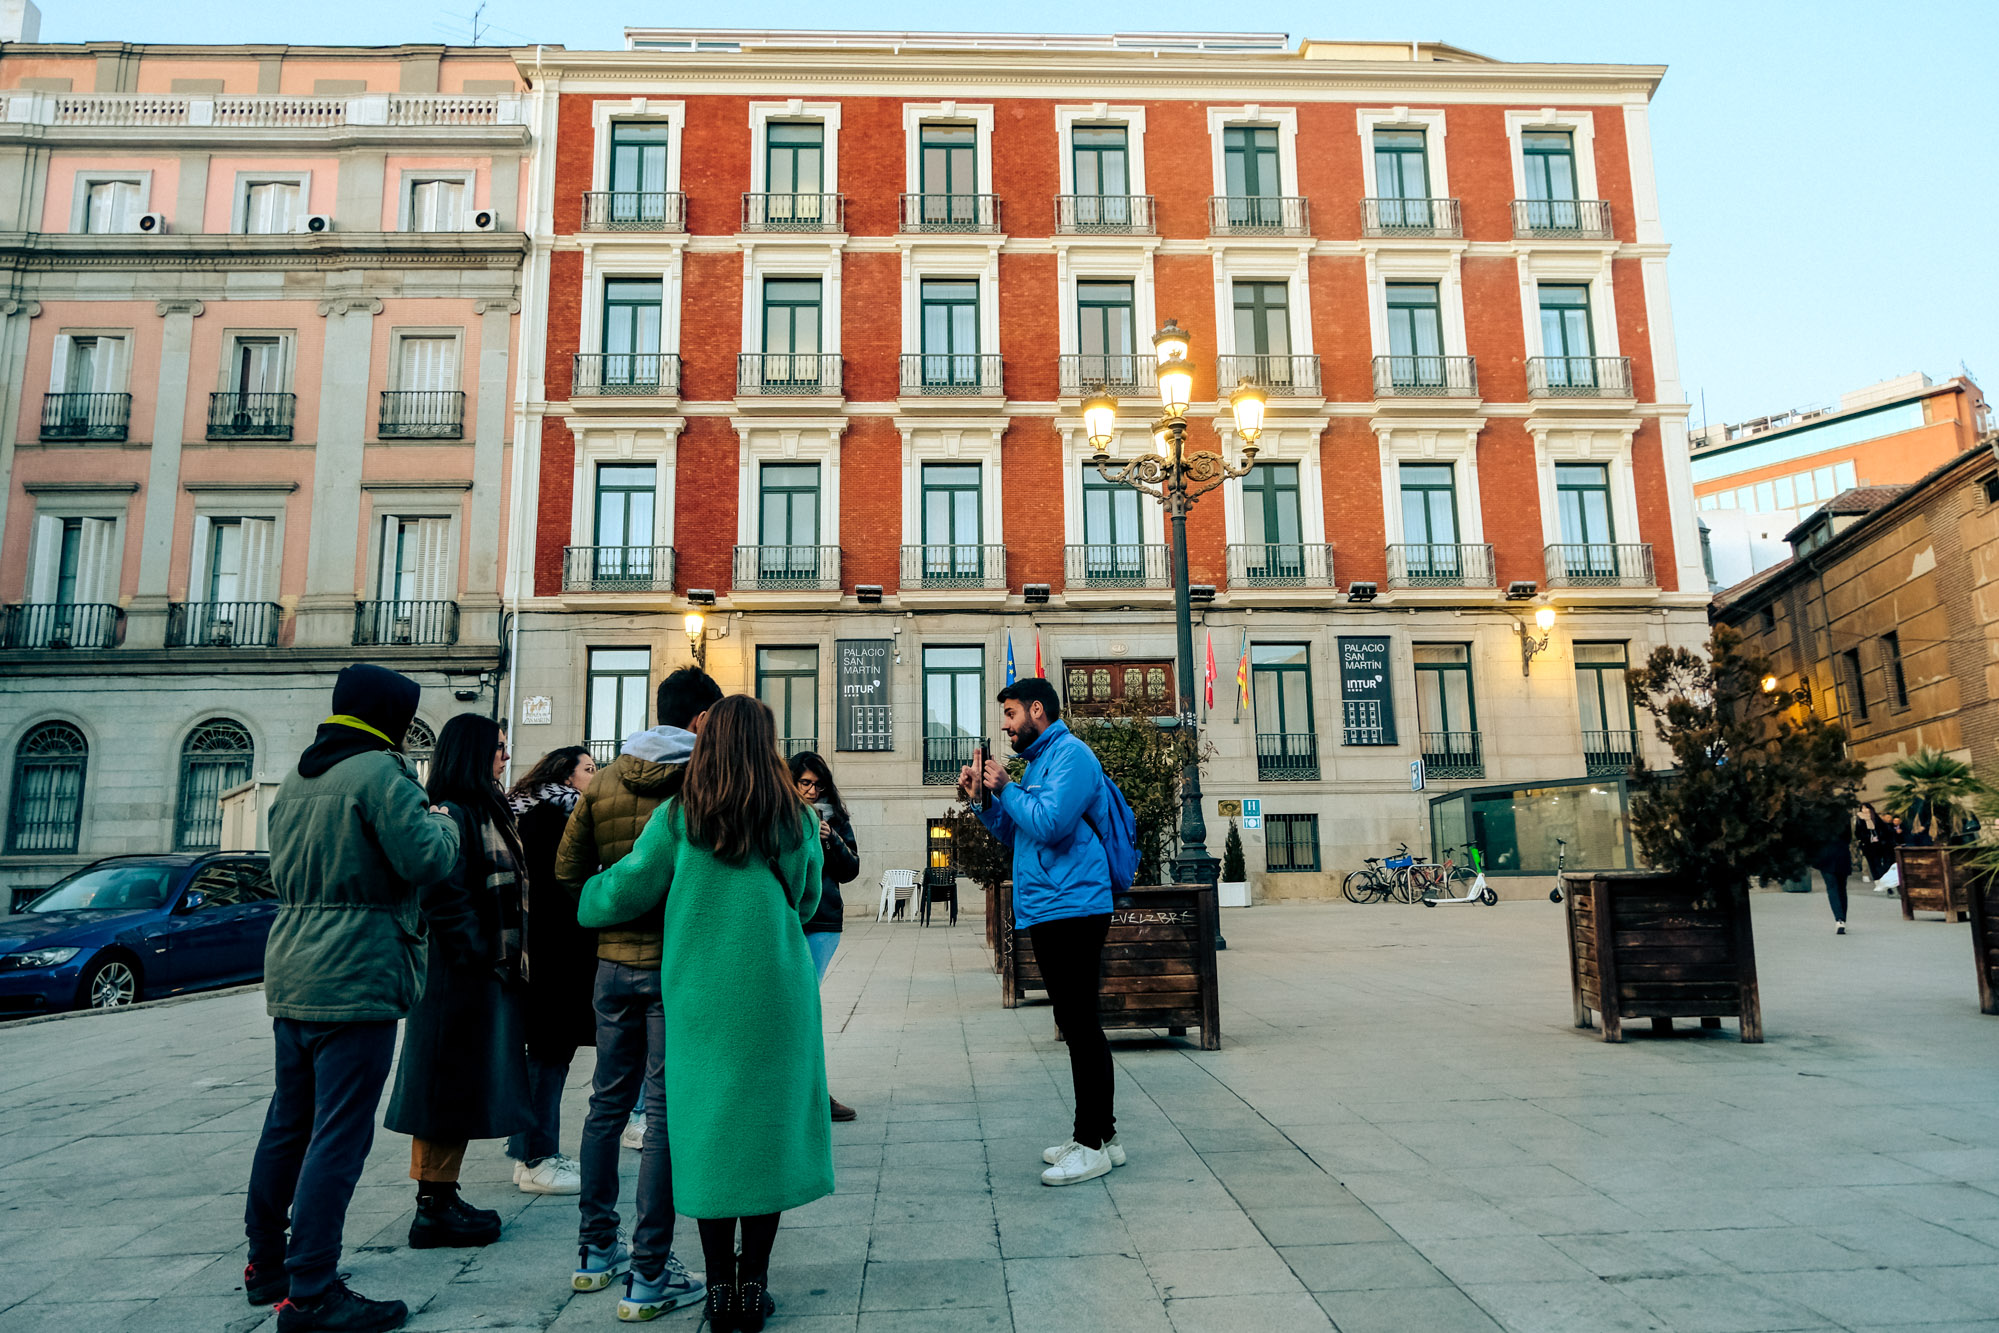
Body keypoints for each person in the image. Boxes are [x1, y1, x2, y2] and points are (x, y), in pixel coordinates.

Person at [579, 695, 832, 1333]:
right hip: (777, 995)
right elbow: (805, 901)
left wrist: (588, 894)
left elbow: (629, 886)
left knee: (711, 1133)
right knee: (766, 1137)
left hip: (699, 998)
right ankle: (754, 1287)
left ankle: (719, 1291)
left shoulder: (679, 817)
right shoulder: (796, 819)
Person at [247, 664, 459, 1333]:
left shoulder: (299, 779)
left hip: (293, 970)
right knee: (337, 1133)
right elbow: (425, 858)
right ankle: (311, 1290)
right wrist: (445, 819)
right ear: (389, 716)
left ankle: (266, 1263)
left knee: (288, 1122)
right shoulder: (379, 774)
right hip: (358, 973)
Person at [555, 666, 720, 1317]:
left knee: (605, 1104)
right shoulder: (699, 783)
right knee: (661, 1112)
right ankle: (650, 1270)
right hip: (671, 966)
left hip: (610, 965)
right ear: (702, 719)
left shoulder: (607, 778)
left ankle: (596, 1249)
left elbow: (568, 869)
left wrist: (611, 903)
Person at [959, 676, 1125, 1187]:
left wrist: (1006, 786)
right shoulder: (1039, 764)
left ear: (1037, 710)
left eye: (1010, 715)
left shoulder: (1071, 756)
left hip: (1074, 904)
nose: (1005, 726)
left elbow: (1050, 822)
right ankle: (1105, 1137)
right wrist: (983, 801)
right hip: (1052, 904)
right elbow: (1019, 830)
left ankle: (1091, 1144)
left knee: (1078, 1023)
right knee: (1077, 1022)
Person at [383, 714, 532, 1249]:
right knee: (445, 1087)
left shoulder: (483, 808)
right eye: (497, 748)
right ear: (472, 753)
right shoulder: (453, 811)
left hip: (476, 971)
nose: (505, 755)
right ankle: (433, 1206)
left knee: (459, 1085)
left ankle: (442, 1197)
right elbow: (442, 895)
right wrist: (477, 954)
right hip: (457, 975)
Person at [502, 745, 599, 1194]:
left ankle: (527, 1155)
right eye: (589, 768)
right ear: (567, 774)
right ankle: (540, 1156)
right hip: (556, 948)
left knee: (541, 1052)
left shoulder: (523, 807)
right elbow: (567, 881)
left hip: (531, 947)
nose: (594, 776)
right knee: (550, 1051)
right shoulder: (561, 813)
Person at [788, 751, 861, 1122]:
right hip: (786, 922)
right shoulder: (778, 816)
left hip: (822, 924)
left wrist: (830, 839)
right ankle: (804, 1093)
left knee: (804, 1008)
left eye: (818, 784)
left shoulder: (835, 818)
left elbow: (851, 870)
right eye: (805, 783)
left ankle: (814, 1095)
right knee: (794, 1010)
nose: (812, 791)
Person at [1813, 830, 1853, 935]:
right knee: (1842, 889)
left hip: (1826, 856)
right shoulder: (1843, 817)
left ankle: (1839, 919)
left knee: (1832, 888)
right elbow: (1848, 837)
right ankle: (1842, 919)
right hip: (1842, 855)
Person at [1855, 803, 1893, 886]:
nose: (1864, 810)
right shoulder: (1860, 819)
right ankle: (1877, 880)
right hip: (1867, 844)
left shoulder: (1875, 817)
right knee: (1871, 863)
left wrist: (1881, 837)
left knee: (1878, 862)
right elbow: (1857, 832)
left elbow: (1883, 828)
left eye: (1866, 808)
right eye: (1862, 808)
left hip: (1878, 844)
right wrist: (1863, 839)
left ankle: (1882, 879)